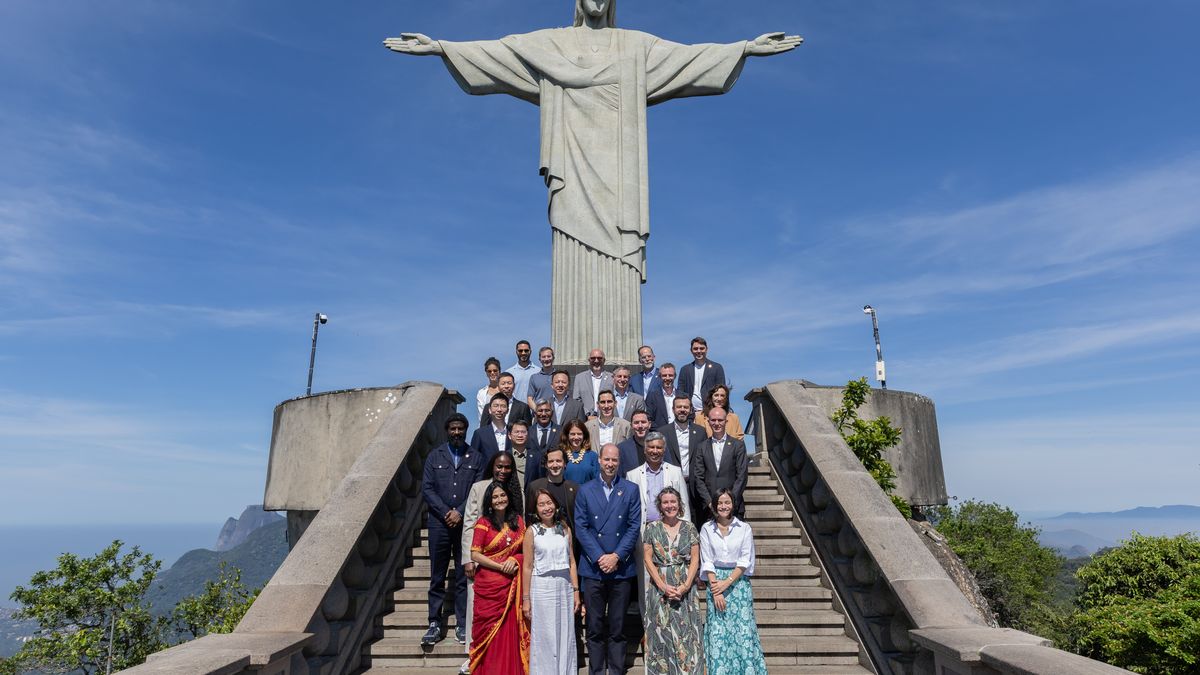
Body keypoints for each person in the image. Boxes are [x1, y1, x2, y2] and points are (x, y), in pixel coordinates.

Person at [384, 3, 801, 367]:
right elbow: (501, 52)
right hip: (572, 164)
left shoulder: (635, 46)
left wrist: (744, 47)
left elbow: (688, 60)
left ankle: (621, 359)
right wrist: (441, 47)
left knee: (620, 249)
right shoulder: (552, 44)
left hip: (620, 171)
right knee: (571, 239)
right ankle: (574, 355)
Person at [574, 444, 642, 675]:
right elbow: (581, 528)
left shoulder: (631, 489)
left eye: (614, 460)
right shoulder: (585, 490)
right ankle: (596, 670)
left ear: (619, 462)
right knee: (593, 626)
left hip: (621, 568)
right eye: (606, 459)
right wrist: (600, 556)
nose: (610, 464)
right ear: (599, 461)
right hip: (593, 568)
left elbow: (634, 527)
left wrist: (616, 556)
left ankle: (615, 669)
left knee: (617, 626)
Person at [421, 413, 487, 646]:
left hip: (465, 525)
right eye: (453, 429)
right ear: (447, 430)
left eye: (460, 429)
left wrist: (459, 511)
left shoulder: (476, 458)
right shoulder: (434, 456)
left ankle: (461, 623)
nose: (457, 432)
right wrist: (445, 512)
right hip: (439, 524)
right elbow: (427, 489)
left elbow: (478, 489)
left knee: (462, 576)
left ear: (466, 430)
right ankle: (434, 622)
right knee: (437, 575)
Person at [460, 453, 524, 663]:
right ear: (492, 466)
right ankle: (473, 657)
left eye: (507, 467)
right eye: (499, 466)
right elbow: (469, 523)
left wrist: (516, 559)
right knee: (478, 613)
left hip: (510, 566)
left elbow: (519, 529)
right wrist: (468, 559)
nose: (503, 471)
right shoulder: (479, 487)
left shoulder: (516, 489)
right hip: (483, 564)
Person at [700, 489, 767, 675]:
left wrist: (726, 583)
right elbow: (707, 560)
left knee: (743, 630)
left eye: (727, 502)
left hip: (738, 584)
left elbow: (745, 560)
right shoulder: (706, 528)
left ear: (733, 504)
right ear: (714, 505)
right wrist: (716, 589)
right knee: (718, 631)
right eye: (720, 503)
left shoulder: (744, 528)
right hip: (715, 583)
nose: (723, 506)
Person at [469, 481, 530, 674]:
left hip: (513, 586)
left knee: (509, 632)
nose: (499, 500)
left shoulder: (519, 521)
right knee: (489, 634)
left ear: (509, 497)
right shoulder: (483, 523)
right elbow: (475, 554)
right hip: (489, 587)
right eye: (495, 497)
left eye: (502, 496)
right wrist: (501, 566)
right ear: (489, 500)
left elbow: (526, 551)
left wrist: (516, 558)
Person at [642, 487, 702, 675]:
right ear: (660, 506)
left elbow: (695, 559)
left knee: (687, 632)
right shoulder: (651, 528)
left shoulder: (690, 527)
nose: (670, 506)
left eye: (673, 502)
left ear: (679, 504)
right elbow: (647, 558)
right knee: (662, 633)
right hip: (660, 588)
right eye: (665, 502)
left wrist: (684, 587)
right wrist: (662, 585)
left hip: (686, 588)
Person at [522, 489, 582, 675]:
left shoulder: (564, 529)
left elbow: (572, 561)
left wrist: (576, 591)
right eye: (542, 504)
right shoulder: (531, 531)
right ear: (536, 508)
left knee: (565, 633)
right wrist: (526, 598)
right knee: (545, 634)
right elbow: (527, 566)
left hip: (564, 585)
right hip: (541, 586)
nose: (547, 508)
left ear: (555, 505)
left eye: (549, 503)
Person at [693, 406, 749, 520]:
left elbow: (742, 476)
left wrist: (730, 501)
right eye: (713, 420)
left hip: (734, 507)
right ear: (708, 422)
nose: (717, 423)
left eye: (720, 420)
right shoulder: (701, 447)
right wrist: (710, 502)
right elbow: (698, 477)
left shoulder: (738, 445)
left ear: (726, 421)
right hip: (709, 509)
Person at [525, 447, 580, 528]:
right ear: (546, 465)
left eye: (558, 461)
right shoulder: (534, 487)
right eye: (551, 461)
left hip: (568, 537)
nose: (555, 465)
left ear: (565, 464)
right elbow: (529, 517)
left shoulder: (575, 488)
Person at [676, 337, 727, 415]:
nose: (699, 351)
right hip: (690, 414)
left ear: (706, 349)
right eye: (695, 349)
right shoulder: (685, 370)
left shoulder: (717, 368)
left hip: (710, 413)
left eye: (701, 348)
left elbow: (722, 391)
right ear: (691, 351)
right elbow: (680, 392)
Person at [528, 399, 562, 486]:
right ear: (535, 413)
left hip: (555, 481)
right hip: (532, 480)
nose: (543, 414)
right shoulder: (528, 432)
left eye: (547, 410)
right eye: (540, 411)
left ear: (552, 412)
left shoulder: (560, 431)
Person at [572, 348, 614, 416]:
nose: (596, 361)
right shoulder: (579, 378)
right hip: (586, 418)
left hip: (606, 417)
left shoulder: (612, 378)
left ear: (604, 360)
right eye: (593, 358)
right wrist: (587, 414)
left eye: (599, 358)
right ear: (589, 360)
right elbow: (576, 400)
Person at [470, 393, 512, 460]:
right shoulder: (480, 434)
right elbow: (473, 459)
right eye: (496, 406)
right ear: (489, 410)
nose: (499, 410)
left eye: (503, 406)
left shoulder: (513, 432)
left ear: (507, 410)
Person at [558, 419, 599, 486]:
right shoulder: (560, 455)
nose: (576, 437)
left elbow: (597, 481)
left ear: (584, 435)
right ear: (567, 435)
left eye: (579, 434)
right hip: (566, 494)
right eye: (572, 434)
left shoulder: (592, 456)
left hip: (586, 494)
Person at [616, 409, 652, 477]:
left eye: (643, 422)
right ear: (631, 425)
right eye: (636, 423)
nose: (640, 426)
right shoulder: (622, 449)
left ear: (649, 424)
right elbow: (619, 476)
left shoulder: (659, 445)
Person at [645, 362, 678, 428]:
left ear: (675, 376)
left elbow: (690, 416)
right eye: (664, 375)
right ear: (659, 377)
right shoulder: (652, 396)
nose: (668, 378)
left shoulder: (683, 396)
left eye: (670, 375)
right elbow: (649, 418)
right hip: (660, 434)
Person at [507, 419, 534, 487]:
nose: (520, 435)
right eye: (516, 432)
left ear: (527, 434)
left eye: (523, 432)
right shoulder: (505, 456)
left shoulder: (536, 457)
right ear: (509, 435)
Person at [475, 357, 502, 421]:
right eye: (489, 371)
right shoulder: (481, 393)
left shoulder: (506, 390)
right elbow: (481, 414)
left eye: (495, 371)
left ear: (499, 371)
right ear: (486, 373)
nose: (492, 373)